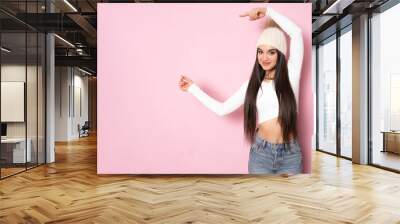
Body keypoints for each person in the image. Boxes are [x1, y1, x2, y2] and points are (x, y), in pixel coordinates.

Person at [178, 7, 304, 175]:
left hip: (290, 155)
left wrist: (267, 11)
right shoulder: (252, 84)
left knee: (287, 201)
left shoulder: (292, 73)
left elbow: (296, 32)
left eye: (271, 52)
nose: (264, 57)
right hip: (261, 154)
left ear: (280, 54)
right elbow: (222, 109)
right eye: (260, 51)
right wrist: (193, 89)